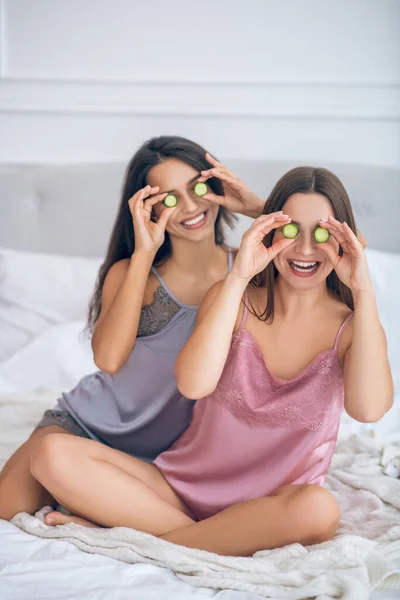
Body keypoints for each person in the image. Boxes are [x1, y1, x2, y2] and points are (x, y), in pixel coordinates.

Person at [29, 166, 392, 557]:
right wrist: (238, 277)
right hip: (179, 491)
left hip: (268, 510)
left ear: (342, 241)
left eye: (320, 233)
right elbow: (193, 384)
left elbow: (369, 410)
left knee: (319, 509)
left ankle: (135, 538)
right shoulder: (231, 297)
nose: (304, 249)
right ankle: (201, 540)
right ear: (268, 232)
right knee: (50, 454)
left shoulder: (354, 326)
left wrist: (363, 289)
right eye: (290, 231)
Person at [0, 135, 265, 521]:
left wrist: (260, 208)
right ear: (148, 207)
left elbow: (339, 245)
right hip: (85, 427)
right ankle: (87, 510)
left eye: (199, 188)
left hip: (171, 457)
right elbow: (108, 359)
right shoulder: (132, 273)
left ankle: (89, 512)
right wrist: (143, 252)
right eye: (171, 199)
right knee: (6, 514)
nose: (191, 207)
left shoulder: (252, 268)